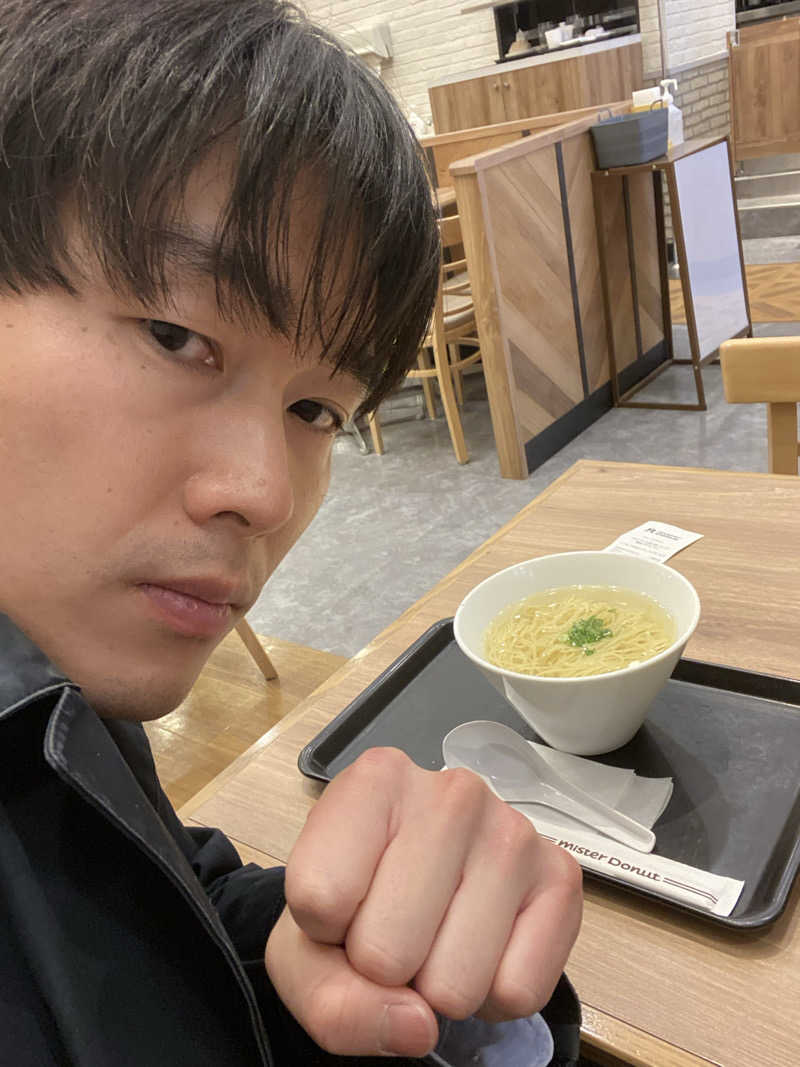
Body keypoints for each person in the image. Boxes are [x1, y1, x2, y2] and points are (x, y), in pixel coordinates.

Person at [0, 1, 583, 1064]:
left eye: (316, 409)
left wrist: (339, 941)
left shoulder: (53, 685)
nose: (265, 493)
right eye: (175, 334)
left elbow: (148, 898)